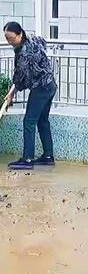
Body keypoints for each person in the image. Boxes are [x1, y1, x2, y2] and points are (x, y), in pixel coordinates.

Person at [3, 22, 58, 170]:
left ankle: (27, 159)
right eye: (6, 38)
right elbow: (43, 41)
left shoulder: (24, 54)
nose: (9, 42)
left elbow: (20, 78)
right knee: (42, 120)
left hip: (41, 88)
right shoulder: (32, 39)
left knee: (29, 121)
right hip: (50, 85)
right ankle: (48, 156)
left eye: (11, 38)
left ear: (20, 34)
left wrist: (11, 95)